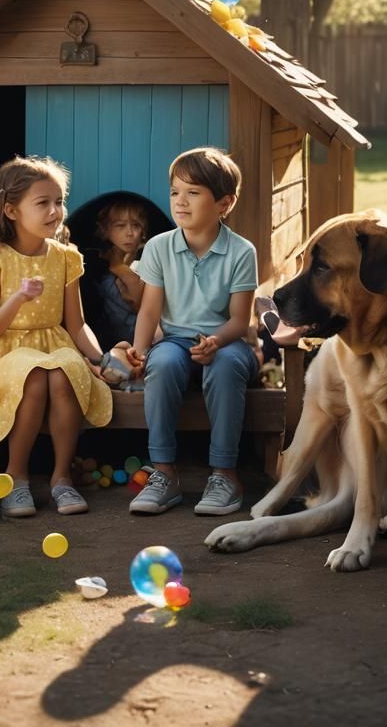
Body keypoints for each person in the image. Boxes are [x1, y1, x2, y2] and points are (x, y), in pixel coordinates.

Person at [0, 156, 113, 517]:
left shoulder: (67, 258)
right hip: (1, 353)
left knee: (65, 369)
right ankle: (16, 478)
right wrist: (18, 298)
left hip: (53, 344)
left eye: (59, 201)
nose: (55, 211)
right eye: (43, 203)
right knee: (34, 375)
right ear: (11, 210)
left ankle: (62, 478)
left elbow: (76, 324)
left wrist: (102, 358)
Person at [126, 147, 257, 517]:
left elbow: (239, 320)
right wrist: (139, 350)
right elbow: (150, 309)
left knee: (226, 365)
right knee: (163, 361)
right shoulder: (158, 247)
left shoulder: (241, 252)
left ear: (224, 203)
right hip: (176, 341)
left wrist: (217, 341)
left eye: (193, 193)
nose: (180, 202)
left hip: (228, 341)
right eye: (174, 192)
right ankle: (164, 473)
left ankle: (225, 475)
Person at [85, 198, 150, 352]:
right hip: (107, 341)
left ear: (143, 231)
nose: (129, 233)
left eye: (136, 225)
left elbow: (139, 301)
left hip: (143, 340)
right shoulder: (95, 263)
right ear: (105, 230)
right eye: (120, 226)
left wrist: (118, 267)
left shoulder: (147, 260)